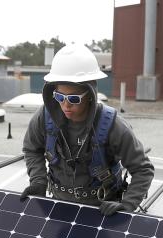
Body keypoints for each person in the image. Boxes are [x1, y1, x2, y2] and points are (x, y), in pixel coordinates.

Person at [21, 44, 154, 216]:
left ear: (90, 95)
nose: (65, 105)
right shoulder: (44, 117)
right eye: (60, 97)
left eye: (74, 99)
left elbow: (143, 169)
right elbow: (32, 149)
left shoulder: (113, 126)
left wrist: (127, 205)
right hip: (58, 206)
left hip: (102, 212)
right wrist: (39, 181)